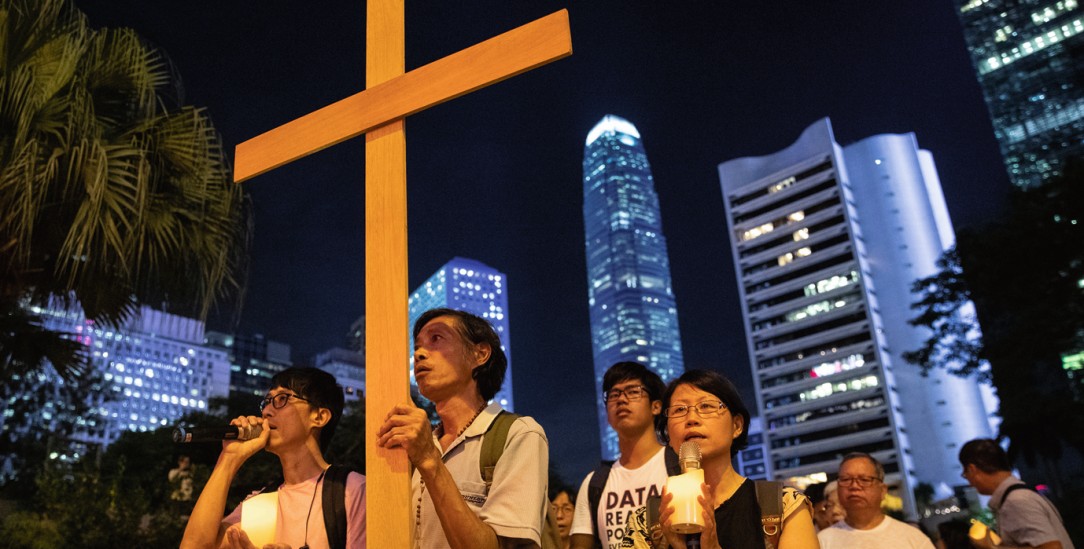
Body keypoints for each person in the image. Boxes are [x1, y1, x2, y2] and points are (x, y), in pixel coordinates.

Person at [377, 308, 549, 548]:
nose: (419, 354)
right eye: (416, 347)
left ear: (480, 353)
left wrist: (429, 459)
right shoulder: (413, 445)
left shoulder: (518, 434)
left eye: (436, 339)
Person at [624, 369, 818, 549]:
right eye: (679, 410)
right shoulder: (646, 522)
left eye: (706, 406)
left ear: (737, 426)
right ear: (668, 434)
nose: (691, 418)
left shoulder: (782, 507)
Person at [180, 366, 367, 549]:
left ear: (319, 417)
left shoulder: (351, 490)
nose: (267, 411)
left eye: (282, 399)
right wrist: (229, 459)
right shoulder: (260, 504)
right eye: (267, 402)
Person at [569, 362, 668, 549]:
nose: (621, 399)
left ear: (655, 406)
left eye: (633, 392)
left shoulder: (679, 468)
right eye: (614, 395)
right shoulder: (594, 483)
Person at [958, 438, 1074, 549]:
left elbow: (1052, 547)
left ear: (972, 469)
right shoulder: (1020, 495)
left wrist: (992, 548)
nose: (970, 484)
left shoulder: (1016, 501)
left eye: (965, 475)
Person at [817, 452, 933, 549]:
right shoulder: (821, 542)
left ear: (882, 490)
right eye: (846, 479)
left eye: (864, 479)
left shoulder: (913, 539)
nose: (854, 486)